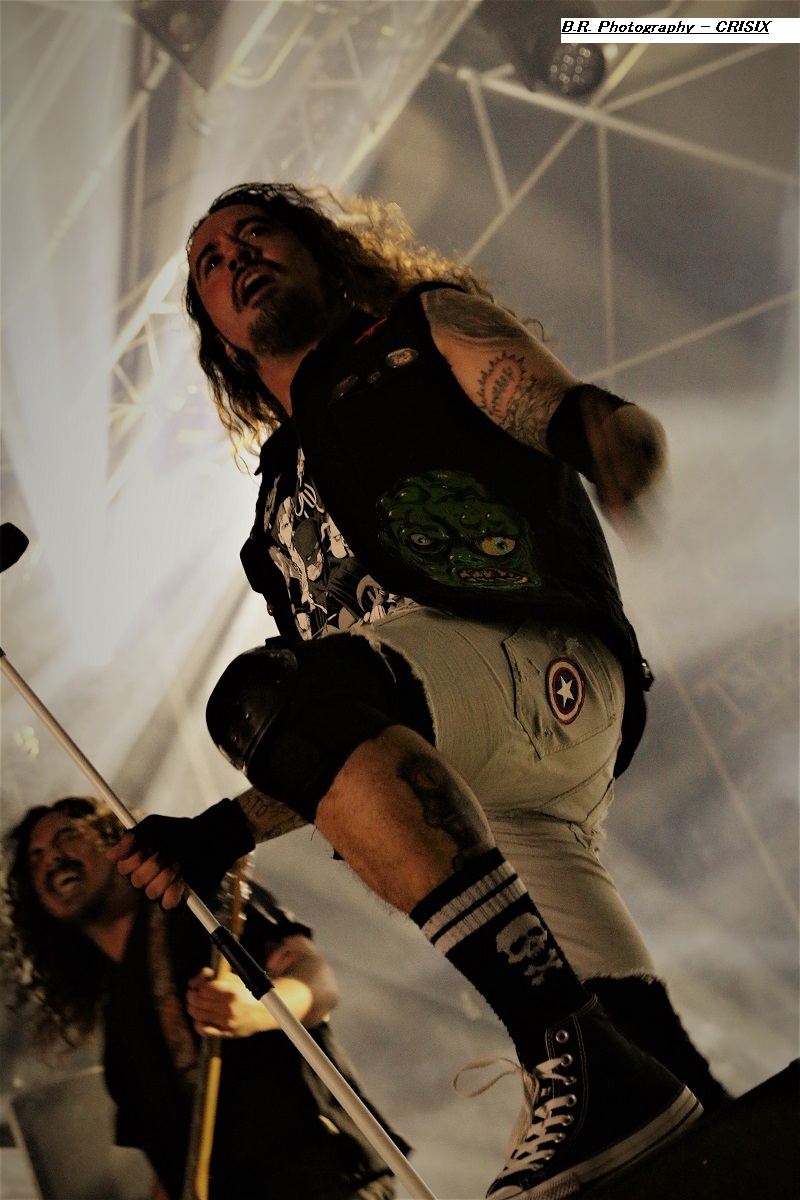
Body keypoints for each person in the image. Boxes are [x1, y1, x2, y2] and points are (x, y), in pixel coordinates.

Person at [110, 183, 729, 1200]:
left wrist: (602, 435)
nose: (238, 256)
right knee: (658, 1077)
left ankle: (560, 1051)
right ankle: (628, 1077)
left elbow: (543, 399)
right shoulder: (271, 520)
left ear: (320, 252)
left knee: (264, 696)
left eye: (256, 233)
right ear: (218, 338)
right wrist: (223, 831)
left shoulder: (413, 332)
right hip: (487, 774)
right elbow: (339, 746)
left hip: (534, 662)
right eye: (211, 262)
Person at [0, 796, 402, 1200]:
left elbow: (318, 981)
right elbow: (173, 1169)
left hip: (328, 1177)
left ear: (111, 842)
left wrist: (258, 1009)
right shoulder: (117, 1030)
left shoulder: (200, 899)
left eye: (66, 836)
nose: (53, 857)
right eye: (36, 858)